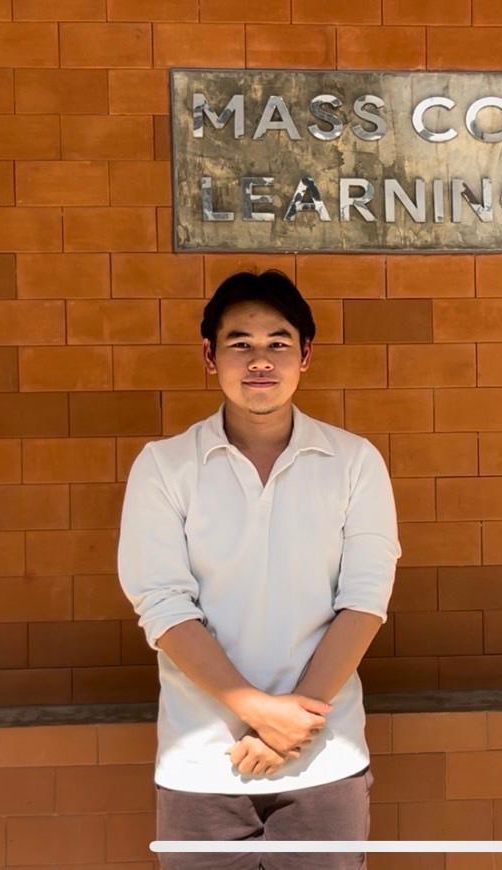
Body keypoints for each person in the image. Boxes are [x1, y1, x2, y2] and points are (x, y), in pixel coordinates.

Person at [117, 269, 401, 869]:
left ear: (305, 355)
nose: (260, 360)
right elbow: (163, 605)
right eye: (240, 343)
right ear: (209, 356)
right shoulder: (164, 466)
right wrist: (258, 711)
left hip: (326, 759)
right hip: (200, 763)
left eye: (278, 342)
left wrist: (293, 723)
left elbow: (365, 600)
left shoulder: (354, 461)